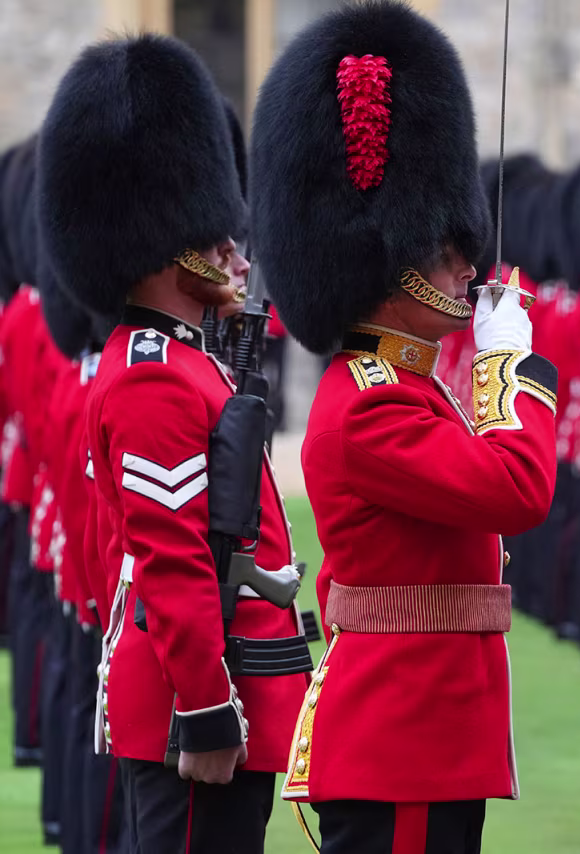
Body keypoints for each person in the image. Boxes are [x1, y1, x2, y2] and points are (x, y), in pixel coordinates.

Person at [252, 4, 558, 852]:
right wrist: (513, 368)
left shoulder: (407, 388)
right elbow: (517, 488)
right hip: (403, 741)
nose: (469, 266)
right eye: (444, 252)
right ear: (388, 265)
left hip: (428, 736)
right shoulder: (374, 404)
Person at [38, 34, 311, 852]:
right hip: (196, 705)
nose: (233, 250)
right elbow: (172, 559)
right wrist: (205, 710)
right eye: (215, 235)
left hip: (230, 689)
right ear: (169, 242)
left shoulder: (184, 364)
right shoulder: (153, 377)